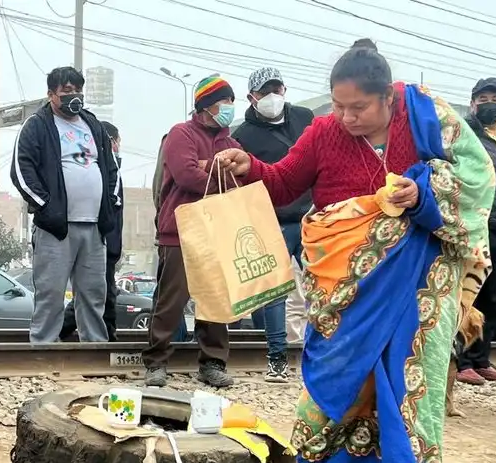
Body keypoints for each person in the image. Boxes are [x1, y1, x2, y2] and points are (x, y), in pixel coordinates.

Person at [216, 39, 494, 463]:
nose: (347, 117)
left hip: (418, 280)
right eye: (338, 105)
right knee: (335, 372)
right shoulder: (323, 132)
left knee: (411, 381)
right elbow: (282, 184)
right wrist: (248, 168)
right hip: (345, 281)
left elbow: (479, 180)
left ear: (388, 96)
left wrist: (424, 194)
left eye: (359, 107)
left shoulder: (427, 116)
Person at [142, 75, 241, 389]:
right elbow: (186, 175)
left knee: (215, 299)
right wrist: (217, 172)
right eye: (224, 101)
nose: (229, 108)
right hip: (180, 230)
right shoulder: (180, 134)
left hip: (217, 231)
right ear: (206, 105)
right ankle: (156, 363)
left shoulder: (232, 144)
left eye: (230, 102)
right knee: (170, 301)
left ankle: (213, 363)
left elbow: (239, 182)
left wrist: (205, 166)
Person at [10, 66, 120, 343]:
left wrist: (111, 202)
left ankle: (94, 347)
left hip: (94, 227)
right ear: (51, 95)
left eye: (77, 90)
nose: (74, 96)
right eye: (66, 91)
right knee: (50, 293)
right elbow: (21, 170)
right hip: (55, 228)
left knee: (94, 293)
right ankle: (44, 349)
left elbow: (111, 169)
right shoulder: (37, 125)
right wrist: (45, 208)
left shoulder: (92, 124)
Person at [232, 66, 314, 382]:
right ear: (252, 97)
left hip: (311, 218)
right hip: (271, 222)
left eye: (276, 89)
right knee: (275, 296)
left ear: (285, 90)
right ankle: (277, 360)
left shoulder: (305, 119)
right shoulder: (243, 136)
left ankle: (327, 355)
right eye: (265, 91)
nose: (272, 96)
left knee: (326, 287)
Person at [455, 78, 496, 385]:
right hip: (476, 228)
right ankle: (463, 361)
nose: (490, 103)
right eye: (483, 98)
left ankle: (482, 358)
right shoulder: (466, 135)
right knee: (472, 296)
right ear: (472, 103)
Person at [61, 121, 125, 341]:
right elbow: (111, 212)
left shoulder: (111, 171)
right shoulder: (101, 170)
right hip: (100, 240)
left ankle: (102, 337)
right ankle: (104, 339)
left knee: (97, 294)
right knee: (100, 295)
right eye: (116, 142)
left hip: (106, 241)